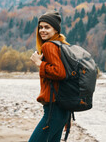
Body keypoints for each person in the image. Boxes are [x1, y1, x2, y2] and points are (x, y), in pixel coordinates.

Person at [28, 11, 70, 142]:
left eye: (47, 27)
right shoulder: (61, 46)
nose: (42, 30)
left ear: (56, 29)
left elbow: (60, 73)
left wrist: (39, 63)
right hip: (62, 109)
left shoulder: (49, 46)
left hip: (54, 110)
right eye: (40, 27)